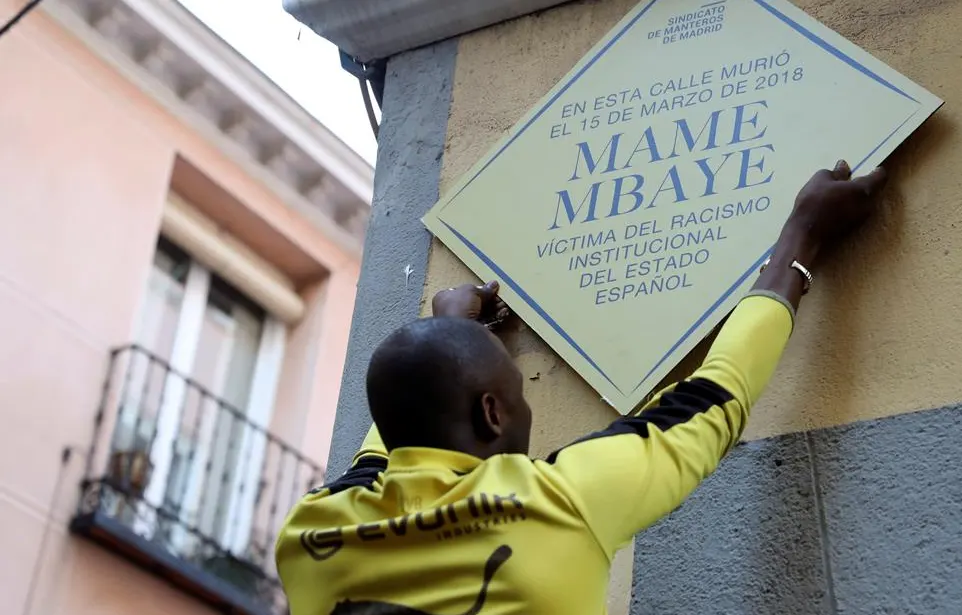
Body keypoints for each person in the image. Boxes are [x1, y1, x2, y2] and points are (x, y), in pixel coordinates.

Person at [276, 160, 889, 615]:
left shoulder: (309, 536)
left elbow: (382, 451)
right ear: (492, 413)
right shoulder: (560, 501)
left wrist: (445, 335)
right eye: (520, 392)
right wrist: (801, 237)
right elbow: (713, 397)